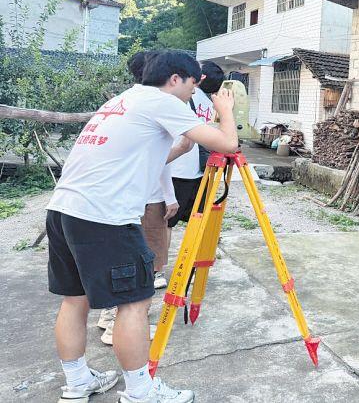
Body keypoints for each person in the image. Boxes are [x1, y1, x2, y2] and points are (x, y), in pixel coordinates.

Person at [47, 50, 238, 403]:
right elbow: (228, 143)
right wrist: (226, 111)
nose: (193, 93)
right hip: (104, 217)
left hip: (64, 210)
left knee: (75, 300)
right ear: (176, 79)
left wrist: (185, 144)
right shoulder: (162, 101)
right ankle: (141, 392)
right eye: (193, 85)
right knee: (134, 303)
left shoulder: (124, 100)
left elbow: (146, 156)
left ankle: (77, 383)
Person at [96, 51, 183, 347]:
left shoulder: (124, 103)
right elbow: (160, 161)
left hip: (123, 198)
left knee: (127, 261)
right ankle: (117, 323)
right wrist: (169, 196)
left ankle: (111, 316)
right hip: (145, 199)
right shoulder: (155, 106)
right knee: (141, 264)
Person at [167, 61, 225, 229]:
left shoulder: (182, 97)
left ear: (201, 76)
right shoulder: (213, 104)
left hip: (176, 168)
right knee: (197, 220)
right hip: (200, 171)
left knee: (166, 223)